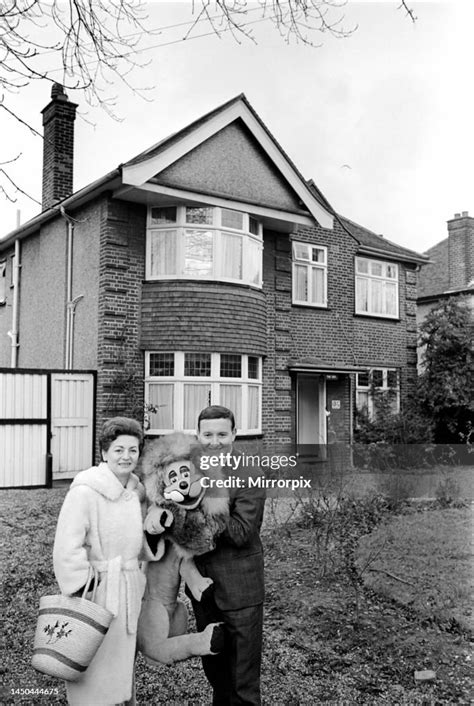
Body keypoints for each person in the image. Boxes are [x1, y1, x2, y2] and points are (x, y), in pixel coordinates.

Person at [53, 417, 149, 706]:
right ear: (104, 453)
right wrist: (87, 585)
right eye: (118, 450)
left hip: (129, 587)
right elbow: (66, 548)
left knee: (122, 664)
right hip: (99, 590)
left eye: (133, 450)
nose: (126, 457)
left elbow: (143, 537)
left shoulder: (136, 491)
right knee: (93, 663)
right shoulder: (85, 491)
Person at [187, 405, 266, 705]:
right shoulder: (190, 469)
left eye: (222, 433)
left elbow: (242, 532)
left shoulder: (250, 473)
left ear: (234, 433)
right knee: (217, 676)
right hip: (203, 590)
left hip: (240, 590)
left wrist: (205, 499)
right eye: (207, 434)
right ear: (198, 435)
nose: (214, 441)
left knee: (242, 683)